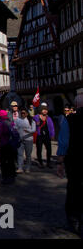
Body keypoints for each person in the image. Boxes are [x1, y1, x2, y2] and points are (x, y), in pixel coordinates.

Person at [57, 93, 83, 237]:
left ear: (76, 106)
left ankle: (74, 219)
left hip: (74, 160)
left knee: (74, 188)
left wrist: (60, 162)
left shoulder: (69, 120)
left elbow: (64, 142)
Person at [0, 110, 17, 184]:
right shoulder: (11, 122)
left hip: (4, 144)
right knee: (11, 160)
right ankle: (12, 176)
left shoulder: (1, 123)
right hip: (11, 144)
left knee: (3, 162)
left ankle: (5, 177)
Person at [14, 107, 36, 173]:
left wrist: (28, 131)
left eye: (24, 113)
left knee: (28, 155)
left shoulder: (31, 120)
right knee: (20, 154)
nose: (23, 114)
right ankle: (20, 167)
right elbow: (15, 127)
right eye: (21, 113)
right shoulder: (18, 120)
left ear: (27, 113)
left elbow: (34, 130)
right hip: (20, 139)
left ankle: (28, 168)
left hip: (28, 139)